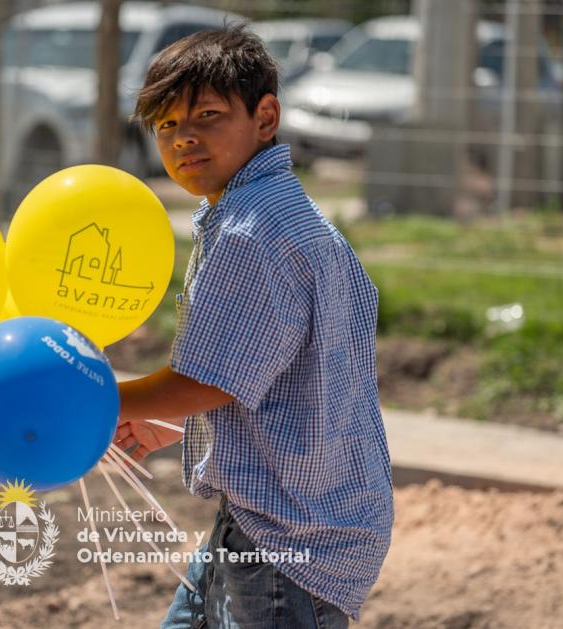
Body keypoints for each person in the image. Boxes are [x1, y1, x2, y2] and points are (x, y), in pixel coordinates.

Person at [114, 25, 393, 628]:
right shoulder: (276, 210)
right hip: (280, 519)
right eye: (165, 125)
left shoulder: (252, 230)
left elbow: (207, 380)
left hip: (289, 544)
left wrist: (98, 400)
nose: (183, 137)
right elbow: (268, 368)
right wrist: (182, 420)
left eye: (207, 115)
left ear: (265, 118)